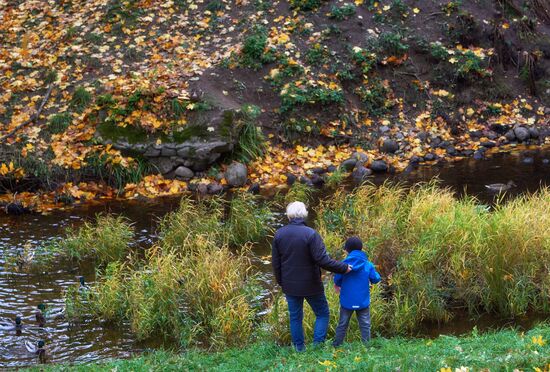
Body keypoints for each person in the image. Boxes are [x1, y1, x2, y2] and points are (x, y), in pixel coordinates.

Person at [272, 201, 351, 352]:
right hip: (311, 284)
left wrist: (282, 282)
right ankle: (317, 347)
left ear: (289, 215)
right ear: (304, 214)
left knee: (295, 317)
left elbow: (276, 263)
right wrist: (344, 268)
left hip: (290, 285)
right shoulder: (311, 234)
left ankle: (299, 349)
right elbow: (322, 260)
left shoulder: (279, 234)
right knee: (322, 313)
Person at [332, 236, 381, 347]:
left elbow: (337, 280)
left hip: (347, 301)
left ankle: (337, 345)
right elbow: (376, 278)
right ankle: (366, 346)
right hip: (362, 301)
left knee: (343, 324)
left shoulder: (343, 265)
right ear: (361, 248)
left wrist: (339, 285)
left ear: (347, 250)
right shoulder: (368, 265)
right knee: (365, 324)